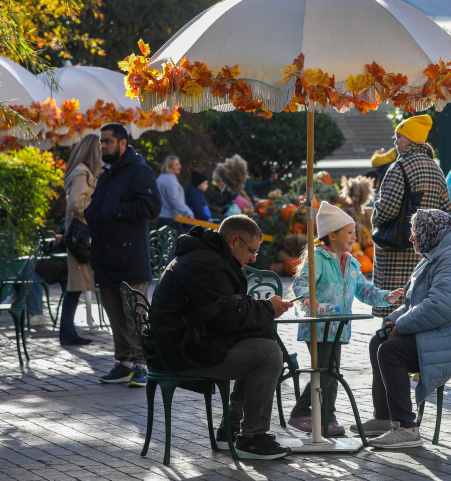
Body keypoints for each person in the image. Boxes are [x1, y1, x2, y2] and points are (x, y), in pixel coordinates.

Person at [350, 209, 451, 448]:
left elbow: (440, 306)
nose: (411, 237)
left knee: (390, 352)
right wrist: (393, 320)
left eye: (415, 232)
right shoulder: (438, 254)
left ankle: (407, 429)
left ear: (429, 233)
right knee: (378, 342)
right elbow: (417, 302)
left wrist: (401, 326)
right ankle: (385, 417)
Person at [150, 215, 294, 459]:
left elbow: (227, 309)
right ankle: (252, 438)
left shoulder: (208, 257)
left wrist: (264, 311)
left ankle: (230, 429)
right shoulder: (206, 263)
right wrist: (269, 309)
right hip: (181, 352)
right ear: (234, 241)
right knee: (268, 355)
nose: (253, 258)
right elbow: (227, 316)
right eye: (252, 251)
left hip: (190, 342)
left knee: (262, 338)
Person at [287, 201, 403, 435]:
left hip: (338, 328)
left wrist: (386, 298)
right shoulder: (317, 258)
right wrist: (310, 301)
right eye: (349, 232)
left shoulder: (350, 262)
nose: (353, 236)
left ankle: (319, 415)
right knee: (328, 372)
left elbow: (364, 290)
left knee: (330, 371)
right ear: (332, 234)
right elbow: (301, 285)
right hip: (317, 326)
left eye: (354, 232)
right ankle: (315, 415)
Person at [86, 123, 161, 387]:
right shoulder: (107, 173)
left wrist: (115, 211)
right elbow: (98, 206)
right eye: (101, 142)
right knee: (115, 315)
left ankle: (142, 364)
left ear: (122, 144)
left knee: (135, 315)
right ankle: (125, 363)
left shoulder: (139, 170)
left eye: (107, 141)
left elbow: (152, 206)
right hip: (104, 257)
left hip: (130, 257)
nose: (103, 146)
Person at [371, 114, 450, 319]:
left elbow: (387, 208)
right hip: (424, 254)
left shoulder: (399, 167)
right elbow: (446, 212)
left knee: (392, 313)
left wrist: (374, 216)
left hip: (395, 252)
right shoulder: (437, 169)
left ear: (411, 139)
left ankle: (387, 348)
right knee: (415, 311)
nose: (395, 142)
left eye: (399, 137)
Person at [56, 134, 101, 346]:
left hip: (79, 237)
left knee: (75, 287)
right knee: (75, 287)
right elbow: (77, 203)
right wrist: (97, 212)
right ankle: (66, 332)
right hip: (80, 237)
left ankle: (67, 331)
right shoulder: (82, 173)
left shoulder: (84, 172)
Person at [156, 155, 194, 231]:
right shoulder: (170, 181)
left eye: (179, 164)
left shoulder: (160, 178)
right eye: (176, 165)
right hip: (171, 219)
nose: (179, 166)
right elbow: (175, 201)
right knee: (177, 242)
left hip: (161, 217)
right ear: (169, 166)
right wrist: (188, 212)